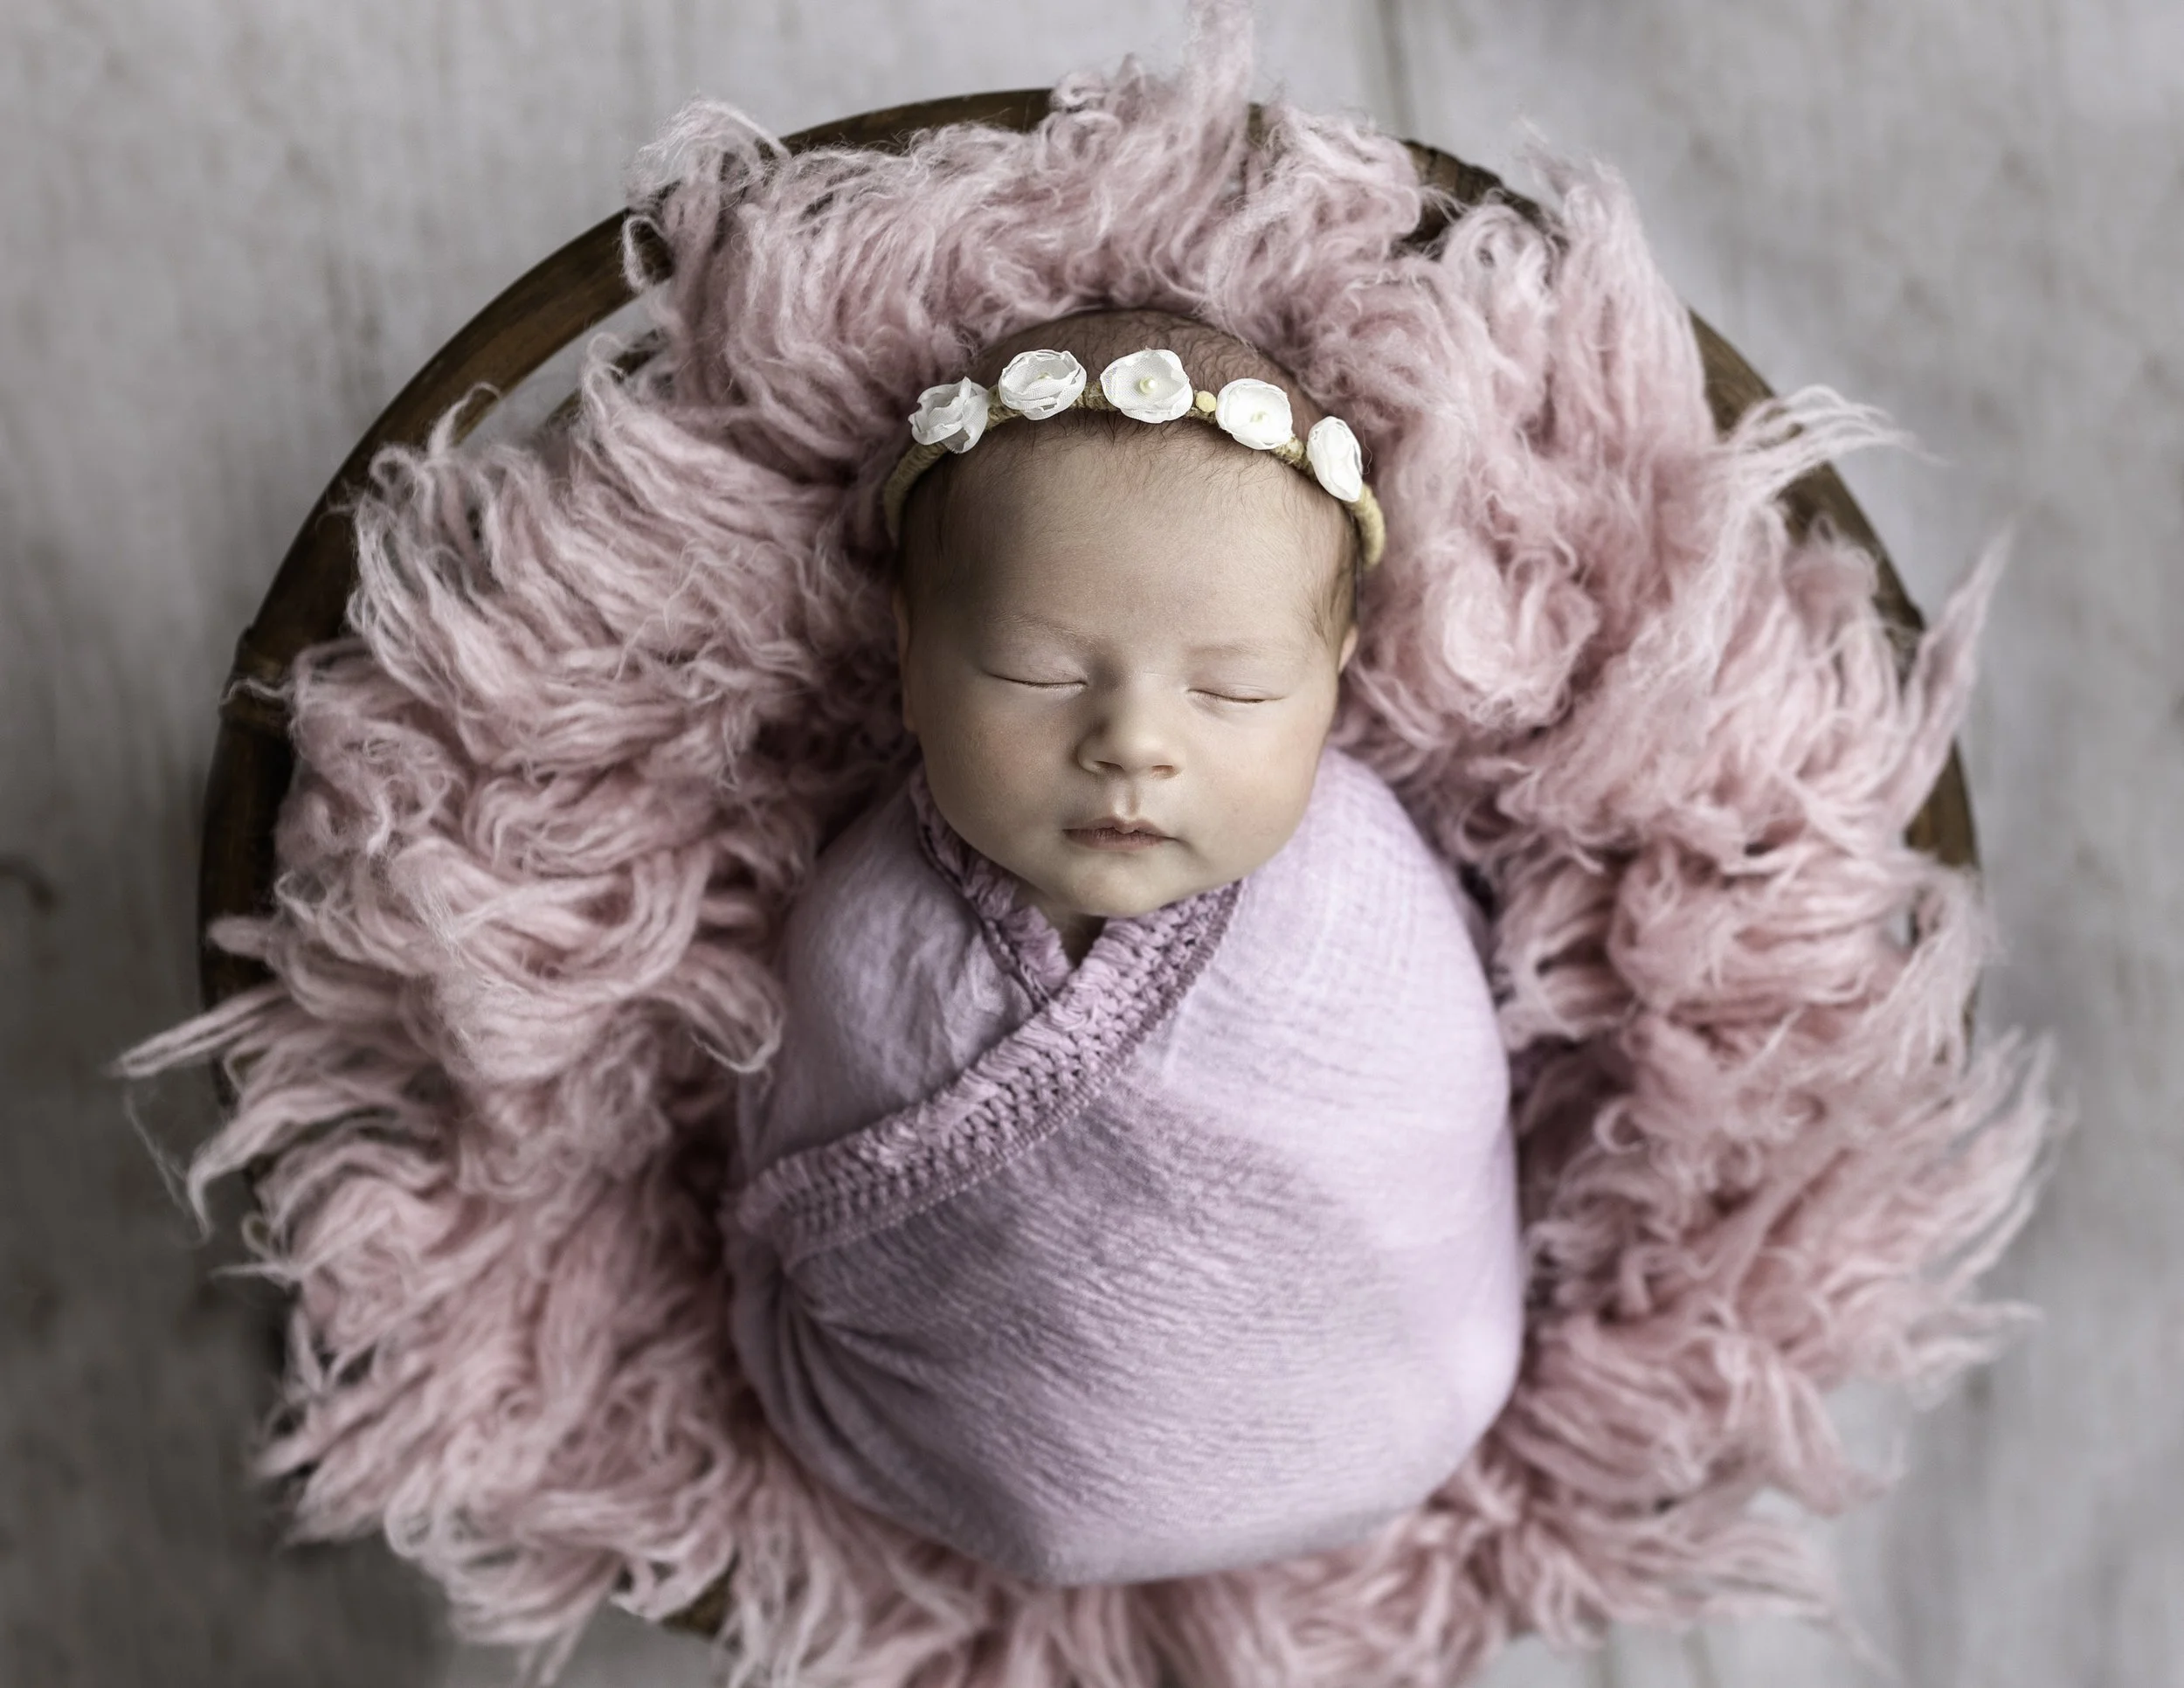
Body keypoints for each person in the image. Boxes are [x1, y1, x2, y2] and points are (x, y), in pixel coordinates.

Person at [723, 305, 1524, 1588]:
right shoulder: (865, 924)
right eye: (1041, 673)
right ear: (914, 665)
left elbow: (1438, 1122)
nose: (1134, 741)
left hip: (1396, 1395)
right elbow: (794, 1136)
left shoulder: (1358, 890)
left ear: (1333, 681)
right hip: (984, 1449)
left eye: (1236, 692)